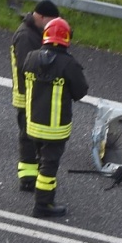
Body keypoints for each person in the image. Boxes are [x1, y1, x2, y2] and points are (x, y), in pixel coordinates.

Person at [22, 16, 89, 218]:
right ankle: (42, 205)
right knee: (49, 167)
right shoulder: (68, 64)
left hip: (32, 124)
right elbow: (81, 91)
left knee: (39, 160)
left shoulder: (31, 57)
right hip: (55, 128)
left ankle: (32, 186)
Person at [10, 0, 59, 192]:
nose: (50, 27)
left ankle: (33, 174)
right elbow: (27, 66)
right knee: (28, 138)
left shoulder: (35, 32)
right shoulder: (25, 36)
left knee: (35, 137)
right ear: (40, 17)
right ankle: (28, 179)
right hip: (26, 95)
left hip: (33, 94)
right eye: (49, 22)